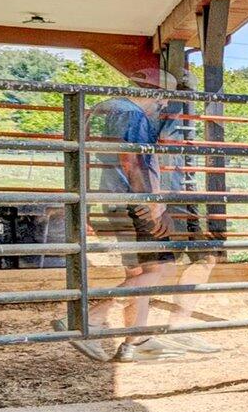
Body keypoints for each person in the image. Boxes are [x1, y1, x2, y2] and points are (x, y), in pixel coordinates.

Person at [83, 89, 210, 359]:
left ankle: (136, 341)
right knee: (160, 269)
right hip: (136, 202)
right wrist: (154, 204)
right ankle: (92, 317)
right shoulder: (134, 115)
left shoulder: (104, 111)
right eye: (161, 97)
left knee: (141, 271)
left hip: (112, 198)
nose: (163, 104)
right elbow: (133, 161)